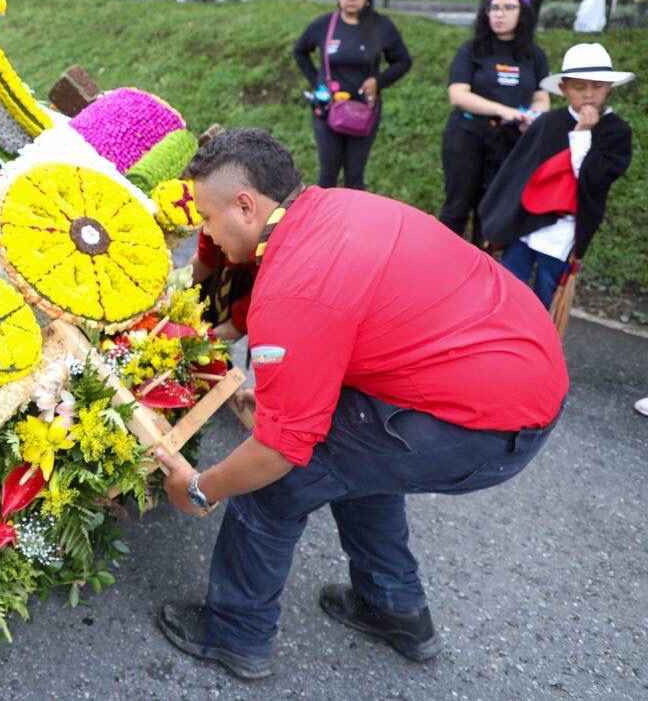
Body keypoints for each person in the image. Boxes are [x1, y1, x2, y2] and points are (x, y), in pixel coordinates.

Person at [153, 128, 567, 680]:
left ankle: (234, 634)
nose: (204, 230)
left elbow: (278, 451)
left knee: (274, 482)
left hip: (482, 423)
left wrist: (198, 488)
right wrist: (289, 400)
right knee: (352, 459)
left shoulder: (291, 286)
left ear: (246, 205)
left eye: (206, 216)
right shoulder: (336, 206)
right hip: (523, 378)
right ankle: (394, 607)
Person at [478, 43, 634, 309]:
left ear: (609, 87)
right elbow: (518, 172)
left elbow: (593, 179)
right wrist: (499, 214)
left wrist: (583, 133)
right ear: (564, 89)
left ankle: (537, 345)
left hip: (565, 231)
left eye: (597, 87)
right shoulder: (549, 123)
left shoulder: (616, 132)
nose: (588, 95)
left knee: (546, 293)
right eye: (579, 87)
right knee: (509, 284)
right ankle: (499, 339)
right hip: (525, 224)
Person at [438, 0, 550, 243]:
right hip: (467, 137)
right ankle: (441, 265)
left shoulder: (534, 55)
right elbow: (458, 94)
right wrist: (504, 110)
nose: (499, 14)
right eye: (494, 8)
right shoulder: (471, 50)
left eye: (508, 7)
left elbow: (541, 96)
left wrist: (532, 117)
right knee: (457, 207)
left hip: (509, 141)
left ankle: (482, 268)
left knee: (490, 211)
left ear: (523, 13)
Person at [293, 0, 411, 190]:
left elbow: (403, 61)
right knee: (328, 174)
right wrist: (317, 81)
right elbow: (300, 52)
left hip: (364, 111)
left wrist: (379, 81)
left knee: (355, 175)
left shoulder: (382, 27)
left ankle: (354, 224)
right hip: (327, 110)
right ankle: (326, 224)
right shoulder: (323, 25)